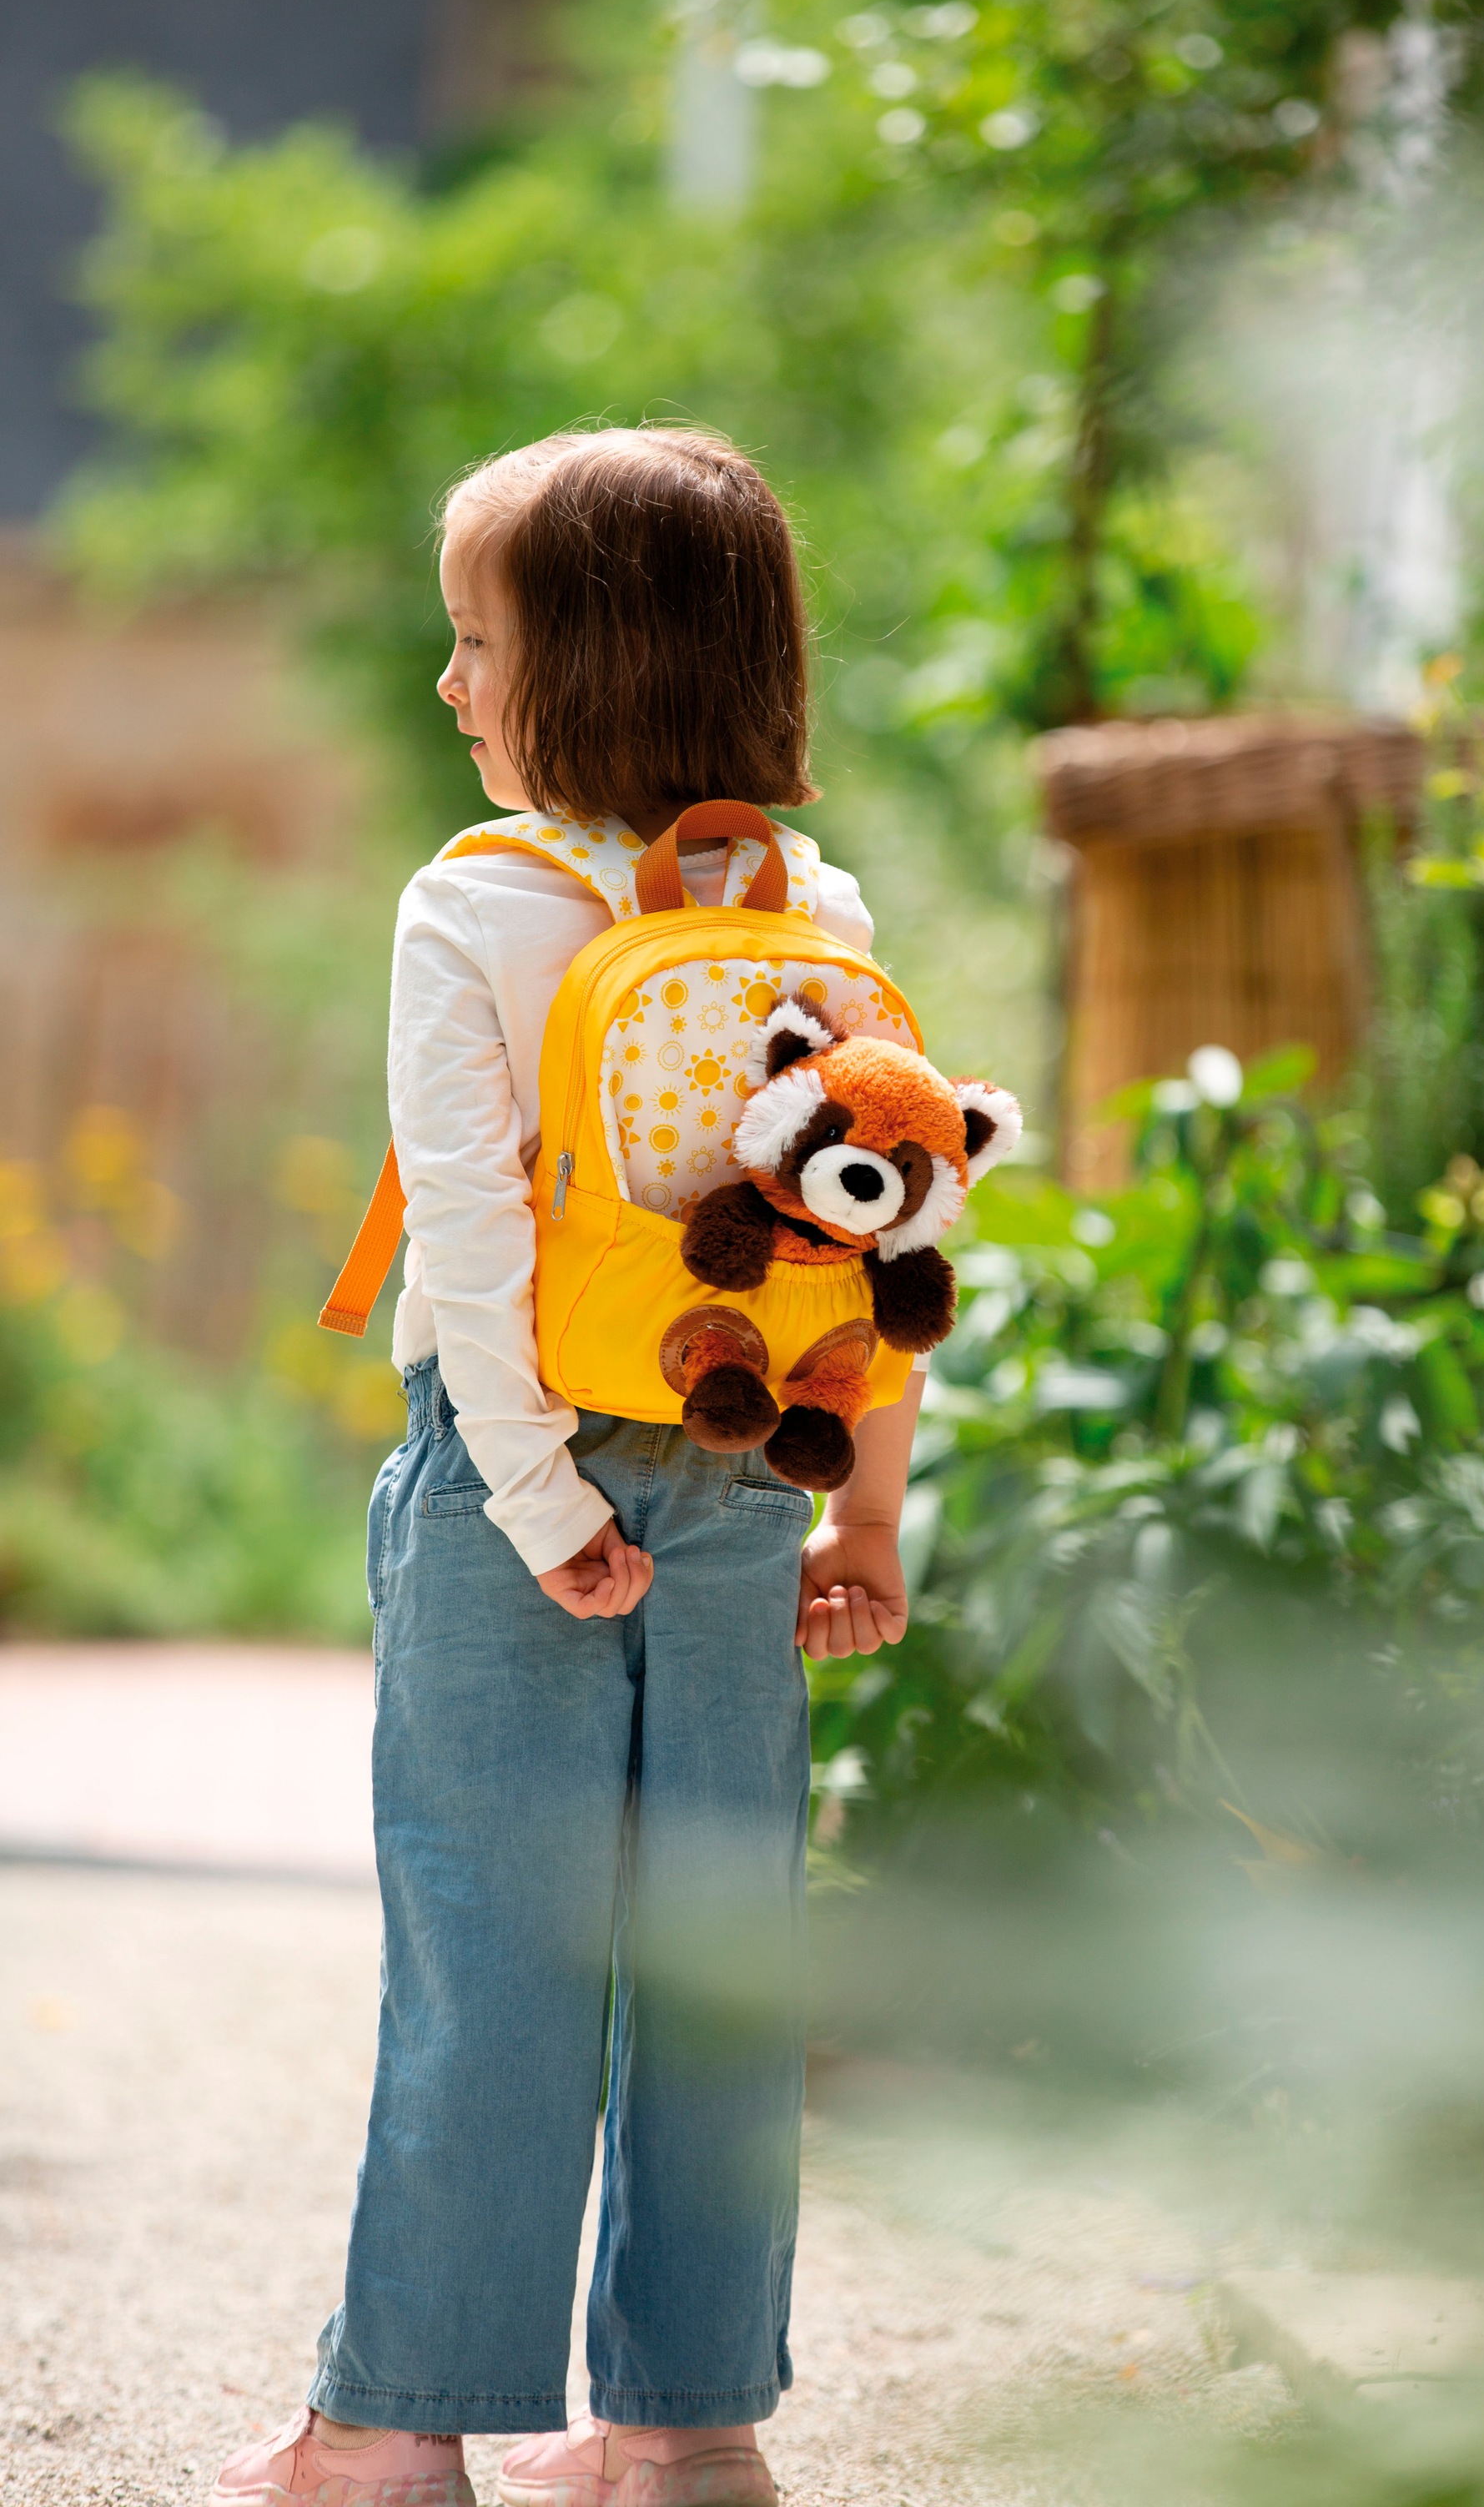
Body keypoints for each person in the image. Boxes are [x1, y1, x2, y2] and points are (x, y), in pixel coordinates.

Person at [209, 430, 923, 2507]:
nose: (452, 686)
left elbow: (466, 1222)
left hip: (520, 1489)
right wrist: (864, 1504)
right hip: (747, 1481)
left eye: (475, 641)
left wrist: (529, 1503)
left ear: (581, 666)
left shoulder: (478, 903)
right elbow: (870, 1226)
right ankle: (689, 2430)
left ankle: (392, 2428)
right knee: (716, 1945)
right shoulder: (824, 911)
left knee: (489, 1947)